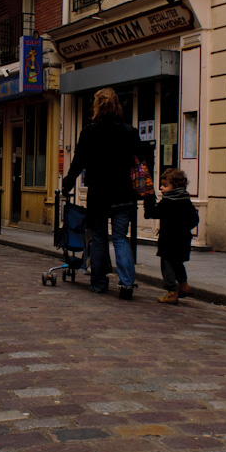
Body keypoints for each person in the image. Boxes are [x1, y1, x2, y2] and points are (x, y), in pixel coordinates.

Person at [61, 88, 141, 298]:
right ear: (117, 106)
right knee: (121, 238)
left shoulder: (89, 132)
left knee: (98, 238)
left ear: (96, 106)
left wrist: (67, 185)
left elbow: (78, 162)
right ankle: (127, 284)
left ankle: (98, 282)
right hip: (123, 194)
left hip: (99, 195)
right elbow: (142, 165)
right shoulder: (129, 132)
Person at [143, 168, 199, 305]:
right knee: (177, 263)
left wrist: (148, 198)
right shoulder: (186, 200)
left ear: (176, 186)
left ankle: (172, 291)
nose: (161, 188)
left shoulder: (167, 202)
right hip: (183, 239)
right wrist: (184, 229)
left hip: (168, 240)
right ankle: (184, 285)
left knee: (167, 264)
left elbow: (151, 213)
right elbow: (194, 220)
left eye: (165, 185)